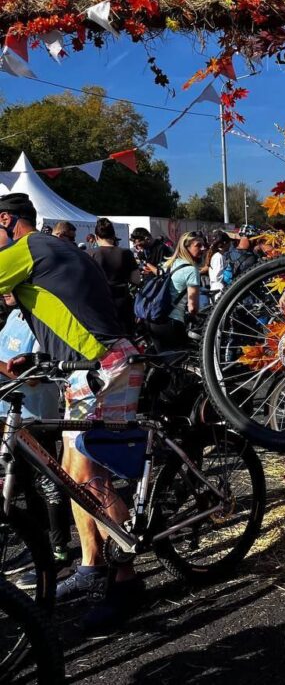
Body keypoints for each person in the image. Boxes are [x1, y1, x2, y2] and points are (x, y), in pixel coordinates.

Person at [0, 192, 144, 630]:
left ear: (6, 220)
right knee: (68, 471)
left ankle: (127, 581)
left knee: (86, 476)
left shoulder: (27, 249)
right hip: (85, 369)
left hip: (105, 366)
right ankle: (90, 565)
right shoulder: (52, 248)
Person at [0, 293, 71, 588]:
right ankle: (39, 549)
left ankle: (59, 552)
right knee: (23, 483)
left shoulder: (39, 318)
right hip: (10, 413)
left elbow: (33, 376)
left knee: (48, 483)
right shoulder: (14, 316)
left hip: (36, 416)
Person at [147, 232, 206, 352]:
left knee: (163, 362)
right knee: (182, 360)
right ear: (186, 247)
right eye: (198, 245)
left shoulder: (169, 264)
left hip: (153, 319)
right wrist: (195, 317)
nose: (203, 248)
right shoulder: (191, 270)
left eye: (203, 245)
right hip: (172, 321)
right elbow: (192, 308)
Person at [89, 218, 142, 334]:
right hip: (122, 301)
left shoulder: (89, 254)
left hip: (98, 302)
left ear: (96, 237)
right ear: (114, 235)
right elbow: (136, 279)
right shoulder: (126, 253)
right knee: (126, 337)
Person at [206, 231, 233, 296]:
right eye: (229, 243)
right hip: (219, 288)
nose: (230, 245)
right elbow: (217, 276)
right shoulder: (218, 256)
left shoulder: (218, 255)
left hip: (216, 287)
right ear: (224, 243)